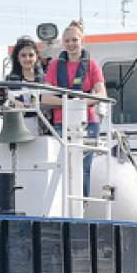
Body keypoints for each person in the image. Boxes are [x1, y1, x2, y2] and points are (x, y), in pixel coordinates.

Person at [42, 20, 107, 197]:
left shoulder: (92, 65)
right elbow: (46, 97)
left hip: (88, 123)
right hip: (60, 122)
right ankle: (61, 208)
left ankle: (81, 207)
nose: (71, 44)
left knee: (83, 168)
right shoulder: (55, 65)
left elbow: (101, 94)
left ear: (82, 41)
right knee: (61, 166)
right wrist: (71, 103)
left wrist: (79, 104)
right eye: (67, 41)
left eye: (75, 40)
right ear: (63, 43)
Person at [6, 36, 45, 136]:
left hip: (43, 128)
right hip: (18, 127)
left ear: (36, 57)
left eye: (31, 55)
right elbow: (7, 103)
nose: (27, 59)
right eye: (23, 55)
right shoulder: (9, 80)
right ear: (18, 58)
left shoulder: (45, 80)